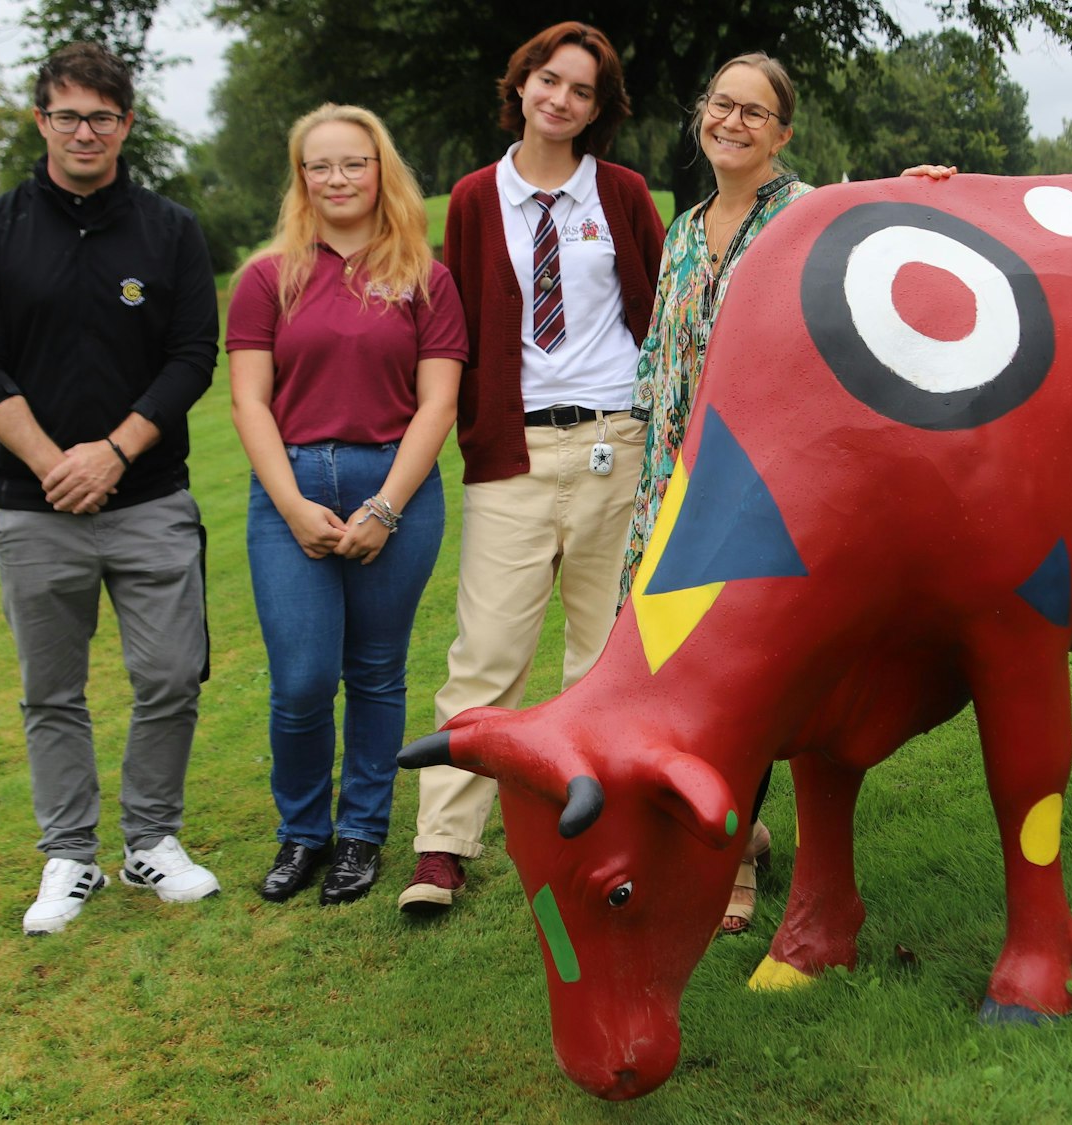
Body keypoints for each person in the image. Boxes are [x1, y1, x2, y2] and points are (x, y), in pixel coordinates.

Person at [620, 54, 953, 934]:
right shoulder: (684, 226)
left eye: (754, 112)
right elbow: (661, 355)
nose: (733, 122)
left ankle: (724, 862)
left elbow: (875, 227)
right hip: (672, 481)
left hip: (759, 482)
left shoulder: (803, 213)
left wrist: (918, 186)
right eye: (721, 105)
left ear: (782, 133)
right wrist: (651, 481)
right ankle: (735, 828)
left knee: (741, 674)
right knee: (677, 673)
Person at [0, 42, 221, 936]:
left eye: (103, 117)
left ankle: (151, 842)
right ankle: (70, 855)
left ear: (127, 125)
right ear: (41, 121)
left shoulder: (170, 229)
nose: (85, 132)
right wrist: (54, 463)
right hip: (34, 508)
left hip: (148, 497)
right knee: (51, 692)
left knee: (171, 673)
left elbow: (191, 358)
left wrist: (112, 450)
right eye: (67, 115)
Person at [399, 21, 667, 914]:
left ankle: (601, 819)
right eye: (548, 81)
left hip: (614, 444)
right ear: (520, 86)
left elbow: (668, 308)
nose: (561, 99)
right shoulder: (477, 197)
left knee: (604, 655)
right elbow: (462, 324)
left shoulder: (621, 194)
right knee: (488, 653)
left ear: (599, 108)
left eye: (582, 90)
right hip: (512, 450)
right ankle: (443, 844)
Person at [227, 105, 467, 906]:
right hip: (289, 489)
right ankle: (303, 832)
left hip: (393, 487)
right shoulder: (267, 277)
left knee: (373, 671)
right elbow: (249, 403)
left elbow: (437, 406)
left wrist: (386, 508)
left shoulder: (425, 278)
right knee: (300, 680)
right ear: (301, 178)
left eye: (353, 163)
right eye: (319, 166)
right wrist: (292, 505)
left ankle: (362, 832)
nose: (337, 179)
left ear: (380, 170)